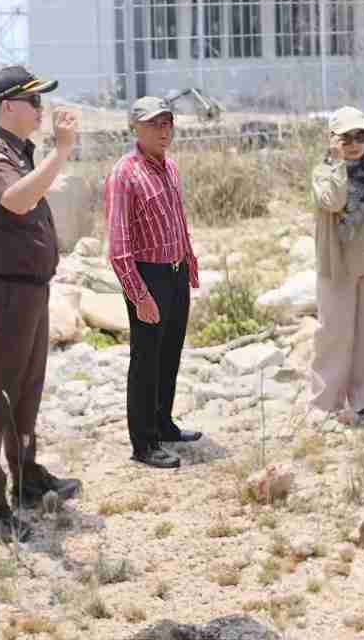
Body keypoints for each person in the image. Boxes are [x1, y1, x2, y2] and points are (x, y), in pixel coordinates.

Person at [0, 66, 82, 542]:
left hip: (30, 288)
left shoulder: (19, 151)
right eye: (33, 101)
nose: (40, 109)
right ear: (8, 106)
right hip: (5, 293)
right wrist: (62, 152)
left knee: (28, 391)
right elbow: (17, 200)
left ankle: (26, 476)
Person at [105, 97, 202, 470]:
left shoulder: (170, 167)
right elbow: (118, 247)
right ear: (135, 128)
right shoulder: (125, 174)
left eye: (167, 123)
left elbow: (178, 221)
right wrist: (139, 294)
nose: (163, 131)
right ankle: (144, 442)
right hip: (149, 275)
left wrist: (189, 264)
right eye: (153, 124)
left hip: (175, 272)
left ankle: (163, 423)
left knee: (169, 352)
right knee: (146, 359)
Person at [310, 106, 364, 417]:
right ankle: (326, 403)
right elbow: (333, 201)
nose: (354, 144)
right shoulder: (324, 173)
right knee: (334, 334)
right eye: (346, 138)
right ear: (333, 139)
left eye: (360, 136)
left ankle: (363, 400)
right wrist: (337, 163)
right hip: (338, 267)